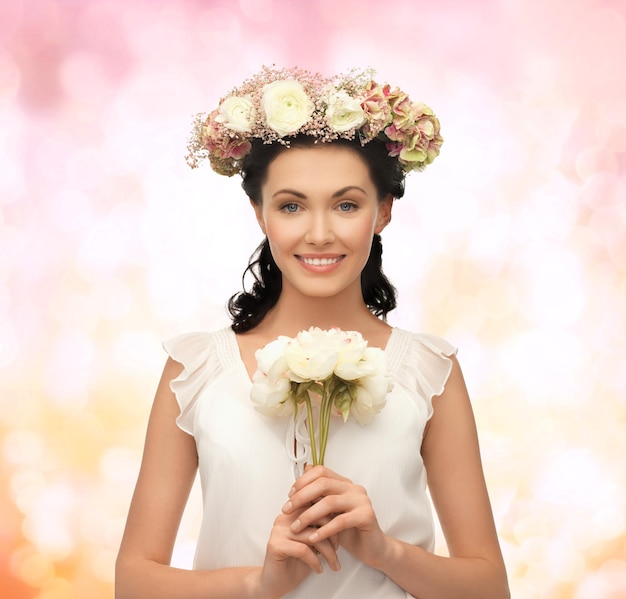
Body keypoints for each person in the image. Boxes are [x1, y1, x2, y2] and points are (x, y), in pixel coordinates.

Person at [115, 66, 510, 599]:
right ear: (259, 213)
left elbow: (488, 587)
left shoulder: (428, 370)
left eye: (346, 205)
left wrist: (383, 550)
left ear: (383, 212)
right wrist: (260, 584)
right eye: (291, 205)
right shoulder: (196, 370)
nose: (319, 234)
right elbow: (134, 582)